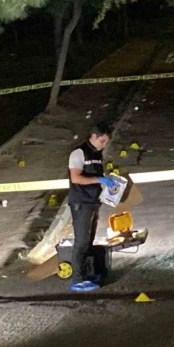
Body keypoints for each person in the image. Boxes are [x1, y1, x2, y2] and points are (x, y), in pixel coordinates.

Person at [67, 124, 118, 292]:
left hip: (93, 201)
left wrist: (106, 183)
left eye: (106, 142)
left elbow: (96, 176)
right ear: (94, 137)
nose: (104, 144)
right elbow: (76, 178)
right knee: (81, 241)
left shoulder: (97, 154)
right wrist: (99, 180)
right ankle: (77, 280)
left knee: (88, 241)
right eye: (102, 141)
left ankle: (87, 274)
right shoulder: (78, 153)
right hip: (81, 202)